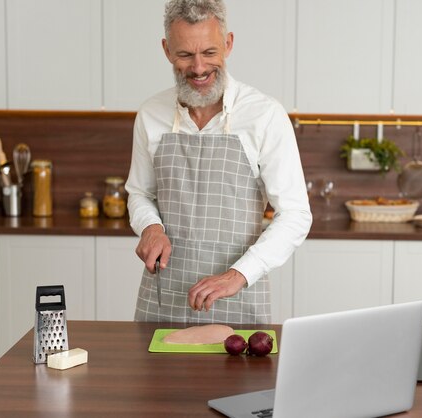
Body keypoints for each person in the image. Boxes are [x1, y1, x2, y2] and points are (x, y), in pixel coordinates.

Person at [125, 0, 312, 324]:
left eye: (209, 52)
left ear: (228, 44)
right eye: (185, 55)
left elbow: (296, 213)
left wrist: (239, 274)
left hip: (239, 299)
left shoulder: (264, 115)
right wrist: (150, 227)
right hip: (162, 301)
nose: (198, 68)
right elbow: (140, 193)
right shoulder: (150, 114)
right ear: (167, 50)